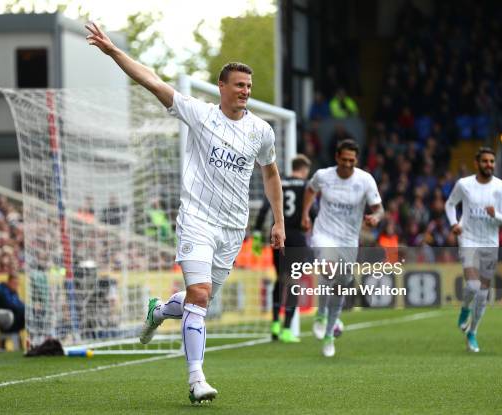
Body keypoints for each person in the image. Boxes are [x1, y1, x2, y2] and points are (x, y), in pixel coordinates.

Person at [86, 22, 285, 403]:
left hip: (232, 227)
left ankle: (159, 311)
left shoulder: (261, 131)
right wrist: (113, 52)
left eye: (249, 86)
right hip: (197, 218)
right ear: (222, 87)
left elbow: (271, 173)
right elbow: (152, 80)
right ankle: (197, 380)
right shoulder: (199, 113)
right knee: (198, 293)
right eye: (239, 85)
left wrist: (279, 220)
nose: (245, 91)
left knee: (200, 299)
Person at [301, 139, 383, 357]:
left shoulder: (365, 180)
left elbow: (379, 208)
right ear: (337, 157)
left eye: (352, 160)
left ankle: (329, 334)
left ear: (356, 160)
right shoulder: (323, 176)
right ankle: (320, 313)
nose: (348, 164)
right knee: (328, 269)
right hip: (324, 234)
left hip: (348, 240)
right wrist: (305, 215)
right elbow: (310, 190)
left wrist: (375, 217)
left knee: (341, 285)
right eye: (344, 159)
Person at [445, 147, 502, 353]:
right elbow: (450, 204)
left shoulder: (501, 187)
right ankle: (465, 308)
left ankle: (472, 332)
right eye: (485, 161)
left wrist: (495, 215)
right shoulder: (464, 185)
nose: (489, 165)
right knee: (473, 286)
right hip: (468, 239)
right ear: (477, 163)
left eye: (492, 161)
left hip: (490, 243)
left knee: (483, 294)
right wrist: (454, 223)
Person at [253, 154, 312, 343]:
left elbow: (264, 208)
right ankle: (287, 328)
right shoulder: (305, 186)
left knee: (280, 279)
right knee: (294, 281)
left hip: (278, 236)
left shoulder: (279, 181)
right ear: (304, 170)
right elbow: (314, 212)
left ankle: (275, 324)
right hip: (296, 237)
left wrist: (256, 232)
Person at [0, 272, 26, 350]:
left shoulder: (13, 292)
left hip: (13, 319)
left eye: (17, 284)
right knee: (26, 312)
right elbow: (11, 305)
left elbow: (18, 304)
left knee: (30, 312)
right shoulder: (3, 291)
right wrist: (25, 307)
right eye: (14, 283)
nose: (16, 286)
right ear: (9, 282)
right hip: (5, 322)